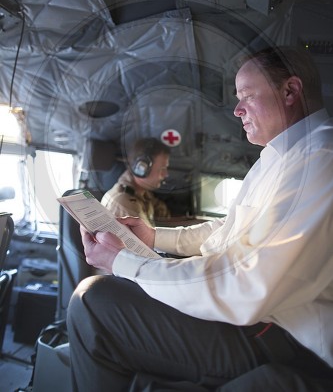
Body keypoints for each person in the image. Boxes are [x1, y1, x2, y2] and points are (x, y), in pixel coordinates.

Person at [67, 46, 333, 391]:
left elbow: (247, 287)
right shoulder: (281, 157)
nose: (237, 110)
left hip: (288, 339)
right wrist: (154, 238)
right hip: (265, 322)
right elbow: (230, 228)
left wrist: (124, 264)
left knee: (91, 303)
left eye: (247, 96)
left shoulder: (320, 161)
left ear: (290, 91)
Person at [101, 137, 171, 226]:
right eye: (162, 169)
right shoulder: (125, 203)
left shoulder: (142, 192)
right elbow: (148, 239)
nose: (166, 174)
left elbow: (163, 213)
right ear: (142, 168)